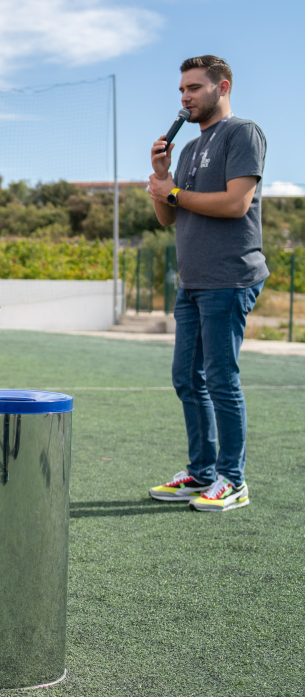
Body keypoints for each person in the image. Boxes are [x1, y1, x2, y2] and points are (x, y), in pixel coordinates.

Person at [146, 55, 267, 512]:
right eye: (181, 90)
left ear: (223, 87)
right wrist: (163, 178)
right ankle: (202, 473)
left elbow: (237, 203)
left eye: (194, 88)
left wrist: (173, 191)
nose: (185, 98)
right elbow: (166, 218)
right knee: (186, 378)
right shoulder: (192, 147)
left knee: (220, 378)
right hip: (193, 281)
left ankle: (233, 479)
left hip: (229, 277)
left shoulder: (243, 133)